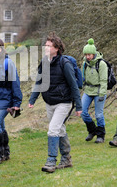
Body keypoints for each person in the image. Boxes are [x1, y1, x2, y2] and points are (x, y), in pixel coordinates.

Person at [28, 33, 82, 173]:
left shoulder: (65, 63)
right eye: (45, 45)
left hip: (63, 103)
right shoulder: (44, 62)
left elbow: (73, 85)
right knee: (60, 129)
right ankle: (66, 159)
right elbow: (39, 82)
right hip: (49, 102)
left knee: (53, 129)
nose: (45, 47)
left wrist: (79, 106)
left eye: (48, 45)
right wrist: (32, 99)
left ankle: (51, 161)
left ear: (56, 48)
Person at [81, 38, 108, 143]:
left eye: (89, 55)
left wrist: (102, 93)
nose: (87, 57)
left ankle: (101, 135)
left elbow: (104, 80)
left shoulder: (101, 64)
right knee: (83, 112)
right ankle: (92, 131)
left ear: (94, 54)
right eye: (86, 55)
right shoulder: (84, 64)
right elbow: (82, 77)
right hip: (88, 91)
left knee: (98, 114)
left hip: (98, 91)